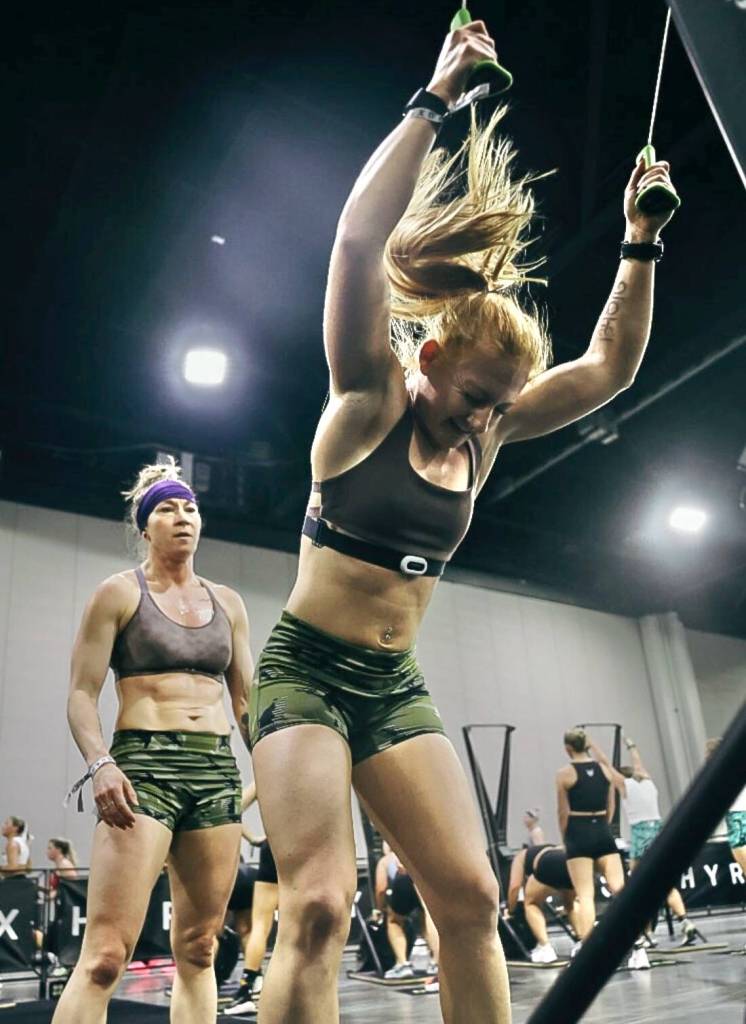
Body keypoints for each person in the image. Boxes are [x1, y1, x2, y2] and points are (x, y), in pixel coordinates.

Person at [249, 18, 676, 1022]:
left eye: (501, 405)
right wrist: (435, 98)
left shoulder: (487, 428)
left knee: (473, 898)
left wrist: (639, 239)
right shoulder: (367, 400)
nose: (486, 419)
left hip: (392, 686)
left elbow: (608, 367)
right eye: (476, 396)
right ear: (431, 359)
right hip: (305, 674)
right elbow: (358, 242)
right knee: (318, 907)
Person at [52, 458, 254, 1024]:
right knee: (104, 958)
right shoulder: (118, 594)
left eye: (190, 508)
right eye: (167, 508)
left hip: (216, 772)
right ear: (145, 526)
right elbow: (81, 694)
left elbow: (246, 705)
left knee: (201, 948)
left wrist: (280, 774)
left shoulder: (228, 603)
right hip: (143, 770)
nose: (182, 517)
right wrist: (100, 764)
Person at [587, 735, 696, 946]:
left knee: (638, 887)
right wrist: (631, 746)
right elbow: (638, 764)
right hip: (658, 830)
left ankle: (646, 933)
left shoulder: (624, 786)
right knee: (663, 882)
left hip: (641, 834)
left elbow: (605, 763)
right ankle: (684, 921)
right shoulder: (648, 783)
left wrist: (592, 745)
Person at [556, 729, 649, 969]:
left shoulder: (564, 774)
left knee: (585, 895)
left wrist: (568, 838)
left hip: (578, 832)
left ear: (568, 748)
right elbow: (611, 807)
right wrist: (601, 828)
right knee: (620, 890)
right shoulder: (605, 770)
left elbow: (563, 812)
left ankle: (588, 954)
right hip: (603, 832)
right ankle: (639, 946)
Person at [224, 783, 279, 1016]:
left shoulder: (267, 776)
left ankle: (247, 989)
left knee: (260, 926)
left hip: (275, 844)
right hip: (309, 847)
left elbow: (231, 808)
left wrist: (254, 839)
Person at [373, 842, 439, 979]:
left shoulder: (387, 860)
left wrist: (379, 909)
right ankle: (436, 962)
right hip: (426, 879)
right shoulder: (420, 853)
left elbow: (381, 889)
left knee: (394, 921)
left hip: (405, 880)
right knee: (426, 916)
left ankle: (403, 964)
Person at [506, 844, 577, 963]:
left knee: (531, 903)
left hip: (548, 862)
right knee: (571, 904)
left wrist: (510, 911)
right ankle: (582, 942)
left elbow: (514, 888)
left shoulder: (519, 857)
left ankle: (545, 948)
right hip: (570, 861)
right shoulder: (546, 847)